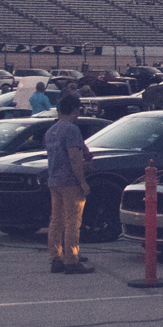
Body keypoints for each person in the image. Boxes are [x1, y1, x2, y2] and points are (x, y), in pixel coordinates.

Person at [44, 94, 95, 274]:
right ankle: (72, 260)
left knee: (56, 221)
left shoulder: (50, 131)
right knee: (73, 221)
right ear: (75, 110)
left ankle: (55, 258)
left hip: (54, 180)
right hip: (70, 181)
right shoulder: (72, 129)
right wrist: (83, 181)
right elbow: (74, 157)